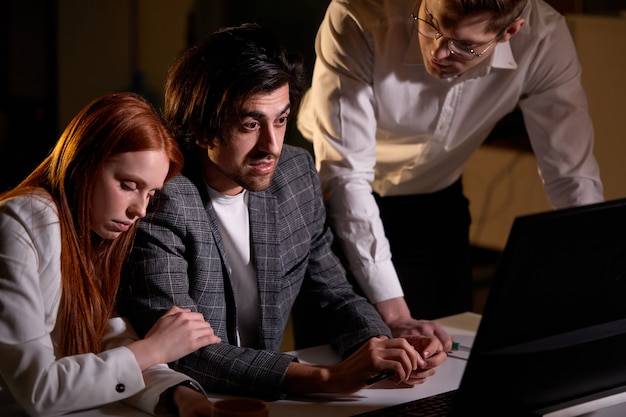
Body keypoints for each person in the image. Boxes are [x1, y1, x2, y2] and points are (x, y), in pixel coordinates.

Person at [117, 23, 452, 401]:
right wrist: (326, 380)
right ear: (200, 124)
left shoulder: (294, 174)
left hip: (265, 400)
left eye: (280, 119)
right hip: (192, 400)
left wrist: (382, 350)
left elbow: (335, 295)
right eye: (249, 124)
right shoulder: (161, 196)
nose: (272, 145)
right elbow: (180, 352)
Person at [296, 0, 604, 329]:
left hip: (434, 197)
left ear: (509, 32)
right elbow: (345, 176)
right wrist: (396, 314)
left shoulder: (544, 39)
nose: (439, 52)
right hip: (328, 192)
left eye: (465, 45)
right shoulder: (358, 15)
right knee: (333, 354)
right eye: (431, 23)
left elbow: (572, 177)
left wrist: (596, 279)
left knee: (448, 346)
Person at [0, 92, 222, 417]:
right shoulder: (22, 221)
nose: (141, 210)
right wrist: (156, 347)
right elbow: (39, 391)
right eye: (128, 185)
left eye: (151, 193)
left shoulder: (91, 232)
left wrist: (177, 394)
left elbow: (109, 338)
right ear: (84, 163)